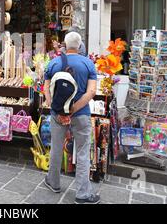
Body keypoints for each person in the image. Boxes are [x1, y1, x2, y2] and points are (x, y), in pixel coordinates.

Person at [43, 32, 99, 204]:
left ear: (65, 46)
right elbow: (92, 92)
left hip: (57, 114)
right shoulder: (88, 64)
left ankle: (53, 182)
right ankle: (82, 194)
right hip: (81, 114)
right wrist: (74, 108)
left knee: (56, 147)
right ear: (80, 45)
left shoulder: (53, 63)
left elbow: (46, 90)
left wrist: (58, 109)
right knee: (82, 152)